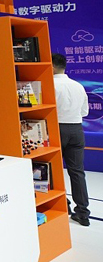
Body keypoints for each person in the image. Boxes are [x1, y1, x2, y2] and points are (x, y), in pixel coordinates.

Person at [52, 53, 90, 226]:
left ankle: (62, 204)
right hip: (76, 129)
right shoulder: (78, 86)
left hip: (56, 129)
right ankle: (83, 213)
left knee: (53, 169)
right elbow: (84, 112)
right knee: (77, 172)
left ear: (52, 66)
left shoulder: (50, 84)